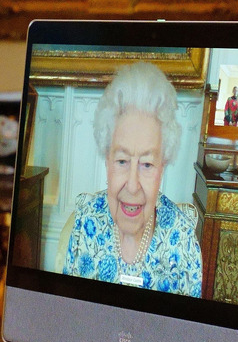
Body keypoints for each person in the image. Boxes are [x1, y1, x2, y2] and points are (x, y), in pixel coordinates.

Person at [62, 62, 202, 298]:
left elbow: (188, 335)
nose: (133, 185)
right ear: (107, 160)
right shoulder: (85, 226)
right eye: (122, 161)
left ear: (162, 167)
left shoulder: (182, 242)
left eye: (147, 164)